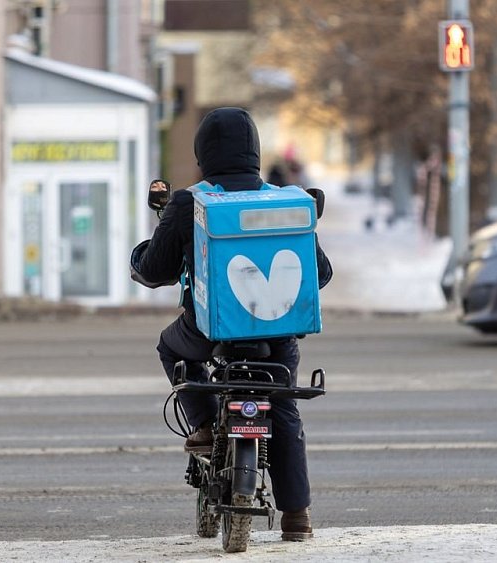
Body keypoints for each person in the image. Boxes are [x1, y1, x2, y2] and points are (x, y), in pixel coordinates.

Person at [130, 107, 332, 541]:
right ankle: (297, 516)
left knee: (171, 348)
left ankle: (203, 424)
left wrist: (143, 256)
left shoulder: (189, 202)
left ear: (204, 153)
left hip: (208, 334)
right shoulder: (282, 199)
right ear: (255, 151)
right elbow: (321, 273)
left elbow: (154, 269)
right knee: (284, 409)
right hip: (276, 337)